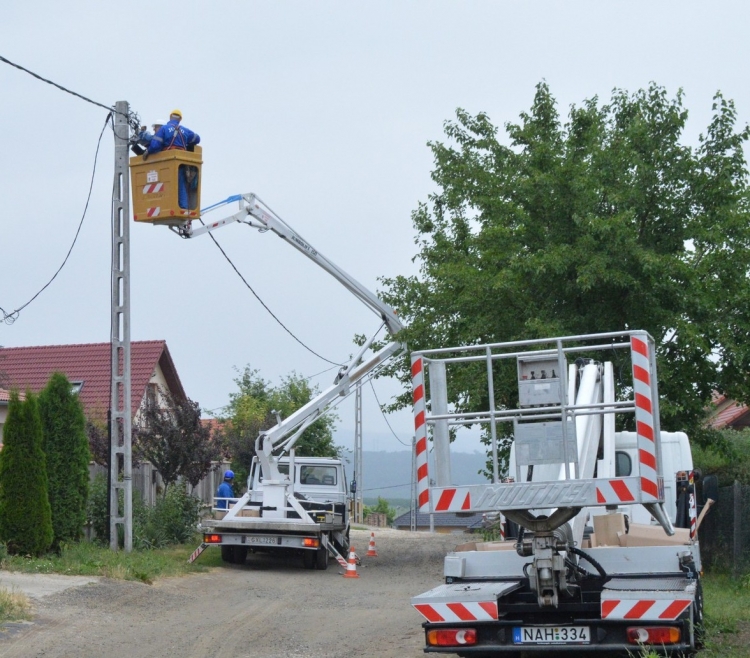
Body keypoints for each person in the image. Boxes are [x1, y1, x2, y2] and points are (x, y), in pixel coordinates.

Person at [146, 109, 201, 209]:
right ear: (180, 119)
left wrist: (147, 151)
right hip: (181, 162)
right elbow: (197, 139)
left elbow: (155, 146)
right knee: (181, 185)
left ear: (170, 117)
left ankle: (167, 207)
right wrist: (186, 141)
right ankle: (183, 207)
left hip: (167, 162)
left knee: (166, 185)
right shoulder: (185, 130)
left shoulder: (164, 129)